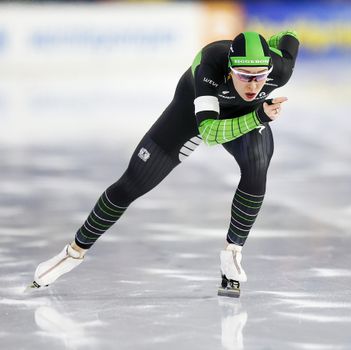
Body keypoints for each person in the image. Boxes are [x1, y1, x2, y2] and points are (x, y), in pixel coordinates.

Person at [29, 30, 300, 298]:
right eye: (244, 76)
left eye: (260, 77)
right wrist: (258, 118)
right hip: (190, 116)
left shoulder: (281, 68)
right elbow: (208, 134)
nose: (253, 86)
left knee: (257, 167)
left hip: (244, 114)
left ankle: (233, 253)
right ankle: (73, 253)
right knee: (130, 185)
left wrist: (268, 45)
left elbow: (288, 35)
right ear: (230, 70)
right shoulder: (210, 65)